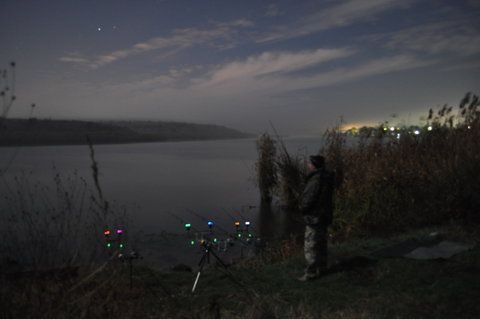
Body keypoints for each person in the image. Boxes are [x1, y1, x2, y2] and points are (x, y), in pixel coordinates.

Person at [297, 155, 334, 281]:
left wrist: (302, 208)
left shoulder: (316, 180)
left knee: (311, 245)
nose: (308, 166)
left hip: (315, 217)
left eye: (309, 164)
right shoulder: (326, 177)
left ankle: (311, 273)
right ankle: (322, 268)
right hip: (324, 215)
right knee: (321, 243)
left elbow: (309, 199)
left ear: (314, 165)